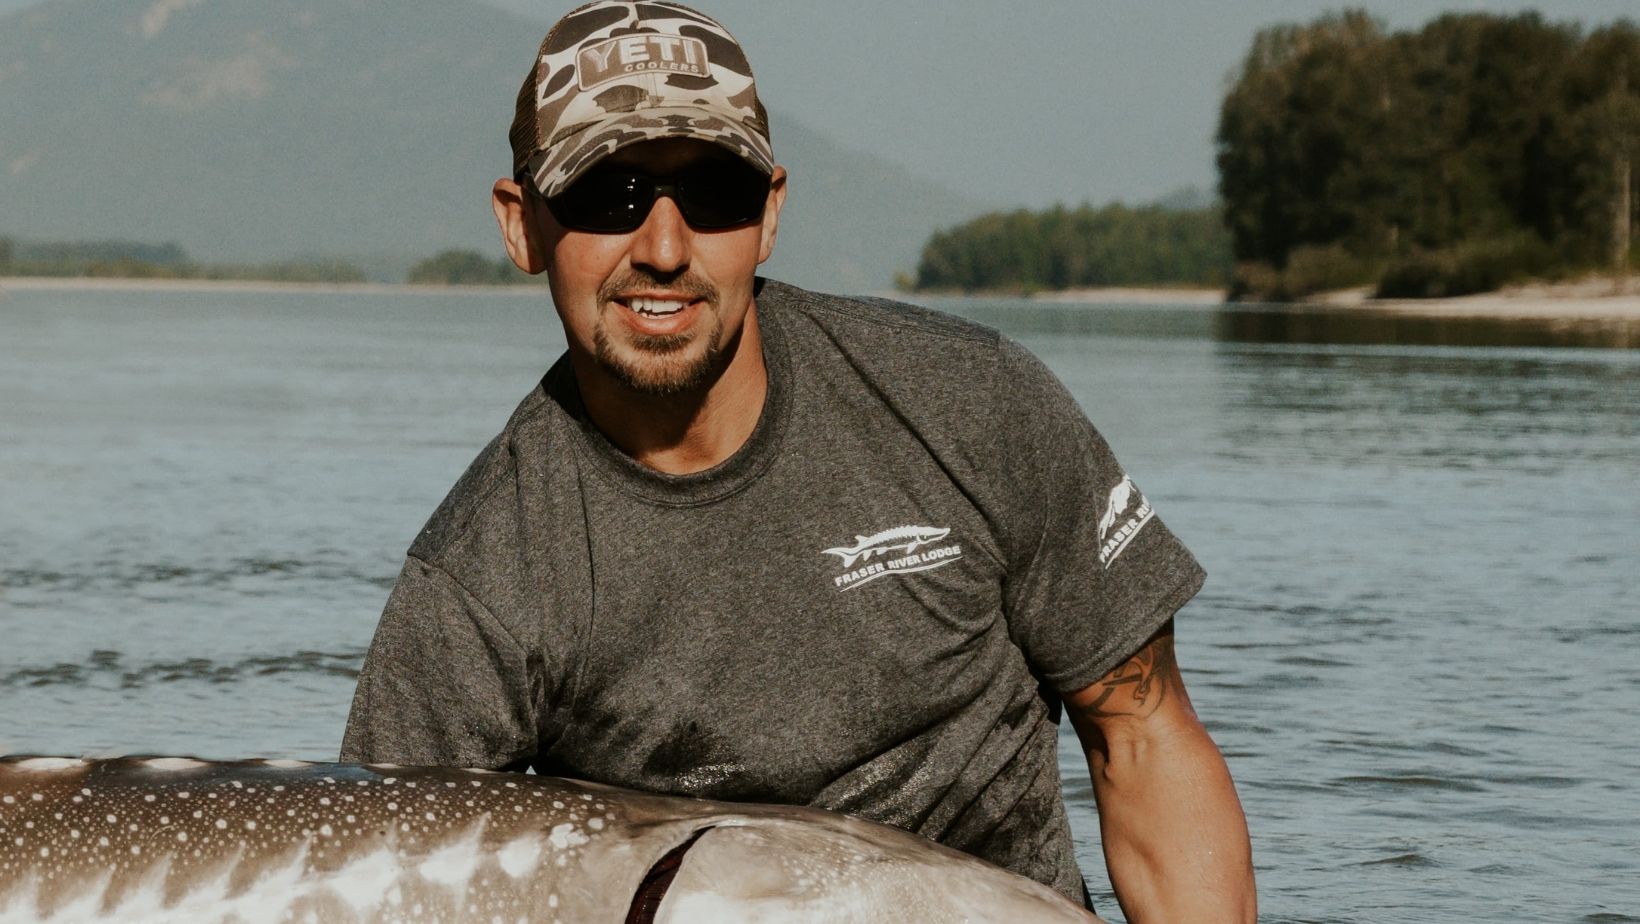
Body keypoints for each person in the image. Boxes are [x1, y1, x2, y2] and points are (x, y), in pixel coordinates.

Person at [342, 1, 1256, 919]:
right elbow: (383, 884)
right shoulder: (478, 583)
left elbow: (1139, 733)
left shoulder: (971, 405)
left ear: (769, 213)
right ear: (522, 226)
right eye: (607, 195)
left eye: (713, 195)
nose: (664, 249)